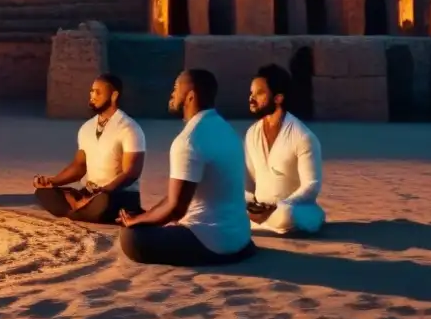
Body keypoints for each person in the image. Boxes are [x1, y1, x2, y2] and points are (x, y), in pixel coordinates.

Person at [119, 69, 256, 266]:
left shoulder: (189, 140)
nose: (172, 94)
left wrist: (136, 223)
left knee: (131, 237)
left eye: (176, 88)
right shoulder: (227, 130)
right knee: (146, 221)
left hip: (210, 241)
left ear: (190, 96)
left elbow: (176, 209)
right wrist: (143, 217)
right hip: (240, 238)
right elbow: (179, 195)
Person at [33, 74, 145, 223]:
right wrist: (52, 182)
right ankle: (81, 207)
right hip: (89, 193)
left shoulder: (129, 128)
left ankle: (76, 208)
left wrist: (104, 191)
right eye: (92, 91)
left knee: (103, 203)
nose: (92, 95)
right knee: (43, 193)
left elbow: (131, 173)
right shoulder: (86, 128)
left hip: (117, 195)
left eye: (98, 92)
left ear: (114, 96)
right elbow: (79, 167)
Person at [244, 64, 325, 235]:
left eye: (259, 93)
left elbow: (311, 186)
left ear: (278, 98)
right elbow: (248, 181)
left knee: (286, 215)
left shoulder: (303, 136)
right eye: (251, 93)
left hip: (291, 208)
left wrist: (280, 206)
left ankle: (267, 223)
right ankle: (262, 222)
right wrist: (250, 202)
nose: (251, 99)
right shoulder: (252, 133)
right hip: (259, 210)